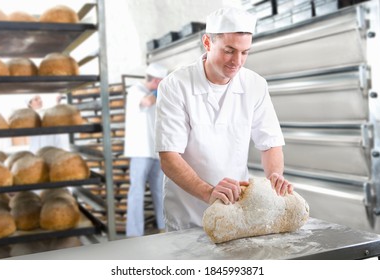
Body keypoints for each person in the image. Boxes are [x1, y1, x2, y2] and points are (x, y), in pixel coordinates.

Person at [155, 7, 293, 231]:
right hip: (188, 215)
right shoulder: (175, 85)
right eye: (229, 51)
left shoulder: (255, 85)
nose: (237, 61)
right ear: (207, 43)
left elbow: (270, 144)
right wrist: (209, 192)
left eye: (245, 52)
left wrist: (274, 178)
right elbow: (169, 157)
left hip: (235, 212)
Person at [124, 63, 168, 236]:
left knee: (160, 191)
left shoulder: (154, 94)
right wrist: (160, 92)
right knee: (137, 191)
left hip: (155, 150)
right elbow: (146, 102)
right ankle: (134, 233)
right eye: (162, 82)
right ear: (156, 81)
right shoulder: (135, 91)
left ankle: (163, 227)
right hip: (140, 151)